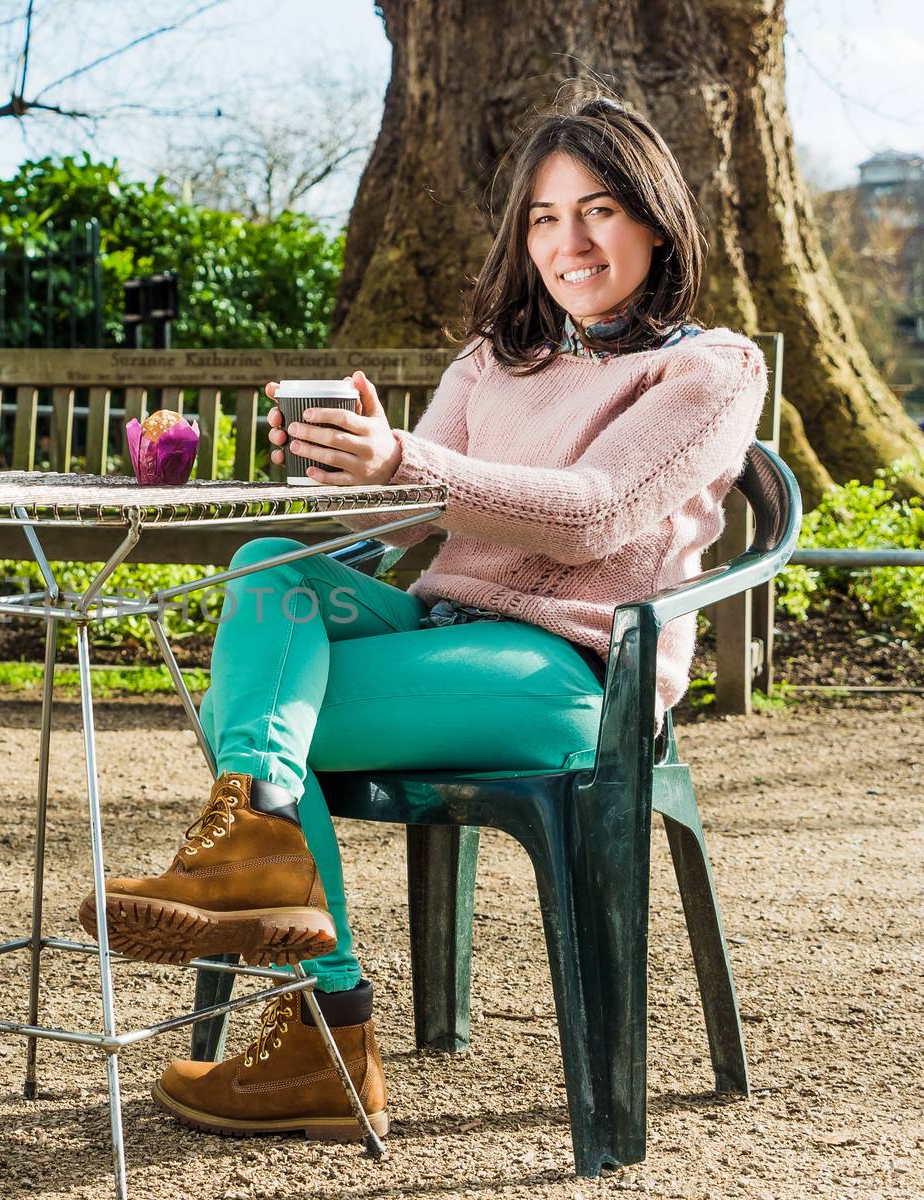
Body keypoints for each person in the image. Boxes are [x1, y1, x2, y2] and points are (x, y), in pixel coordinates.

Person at [78, 94, 769, 1141]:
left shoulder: (706, 371)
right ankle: (271, 861)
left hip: (571, 674)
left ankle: (321, 1019)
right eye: (542, 218)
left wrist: (408, 460)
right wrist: (347, 461)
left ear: (656, 224)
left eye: (597, 212)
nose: (567, 242)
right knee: (268, 567)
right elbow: (401, 516)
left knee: (256, 715)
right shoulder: (497, 358)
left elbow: (596, 517)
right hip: (441, 633)